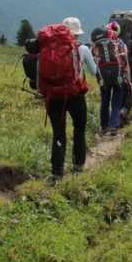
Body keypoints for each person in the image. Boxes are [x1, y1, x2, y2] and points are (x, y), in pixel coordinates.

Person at [46, 17, 96, 180]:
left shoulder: (48, 48)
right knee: (79, 130)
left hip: (53, 96)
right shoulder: (82, 49)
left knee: (58, 133)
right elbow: (95, 71)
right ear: (77, 33)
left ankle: (57, 171)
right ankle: (78, 165)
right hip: (76, 95)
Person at [93, 22, 130, 136]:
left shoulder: (97, 45)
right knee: (116, 101)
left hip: (103, 77)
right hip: (118, 76)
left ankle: (104, 126)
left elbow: (95, 60)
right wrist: (128, 77)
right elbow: (125, 60)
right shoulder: (120, 43)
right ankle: (114, 125)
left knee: (105, 100)